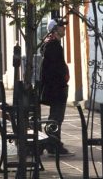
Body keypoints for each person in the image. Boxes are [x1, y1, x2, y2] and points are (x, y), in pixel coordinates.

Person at [40, 17, 71, 155]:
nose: (64, 28)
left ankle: (53, 142)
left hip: (55, 87)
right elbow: (54, 68)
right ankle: (53, 144)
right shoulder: (53, 46)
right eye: (61, 26)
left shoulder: (51, 44)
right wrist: (62, 79)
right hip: (56, 88)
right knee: (56, 117)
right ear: (54, 30)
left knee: (56, 116)